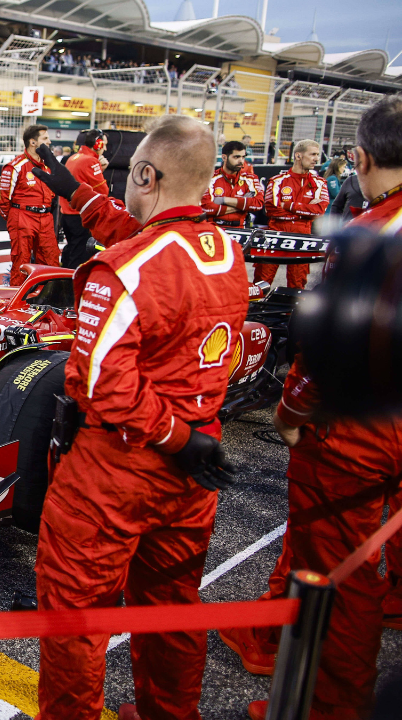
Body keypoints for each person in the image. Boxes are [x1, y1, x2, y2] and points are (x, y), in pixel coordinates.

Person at [29, 115, 249, 720]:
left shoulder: (123, 267)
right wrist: (74, 190)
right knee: (171, 605)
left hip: (118, 469)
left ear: (147, 174)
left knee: (74, 618)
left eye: (131, 174)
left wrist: (173, 438)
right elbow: (147, 233)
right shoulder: (227, 251)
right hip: (197, 465)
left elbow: (101, 384)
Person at [225, 94, 402, 720]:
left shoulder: (368, 234)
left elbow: (325, 352)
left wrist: (290, 413)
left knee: (341, 571)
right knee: (333, 546)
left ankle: (332, 705)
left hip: (358, 425)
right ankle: (270, 637)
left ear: (359, 157)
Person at [259, 139, 329, 289]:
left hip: (302, 236)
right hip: (276, 234)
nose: (316, 159)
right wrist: (305, 210)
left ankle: (290, 313)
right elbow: (271, 210)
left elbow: (319, 210)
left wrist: (288, 206)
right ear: (298, 156)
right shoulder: (277, 181)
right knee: (262, 282)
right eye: (313, 154)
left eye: (317, 155)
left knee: (297, 284)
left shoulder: (320, 183)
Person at [0, 124, 59, 286]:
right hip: (22, 218)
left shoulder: (48, 166)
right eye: (45, 138)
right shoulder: (16, 166)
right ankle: (17, 303)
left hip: (46, 218)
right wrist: (14, 219)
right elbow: (2, 199)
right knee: (21, 263)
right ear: (33, 142)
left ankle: (48, 300)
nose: (50, 141)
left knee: (51, 261)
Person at [58, 129, 109, 268]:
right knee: (80, 256)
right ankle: (72, 287)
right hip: (80, 216)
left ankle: (63, 283)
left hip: (67, 214)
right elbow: (103, 191)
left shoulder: (73, 158)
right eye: (104, 144)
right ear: (97, 144)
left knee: (71, 250)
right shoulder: (91, 161)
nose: (105, 148)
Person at [202, 140, 264, 229]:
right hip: (214, 228)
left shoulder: (250, 178)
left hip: (240, 229)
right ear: (224, 157)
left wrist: (223, 200)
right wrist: (243, 204)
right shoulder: (210, 178)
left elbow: (258, 204)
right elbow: (207, 208)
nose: (241, 161)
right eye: (236, 157)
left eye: (243, 157)